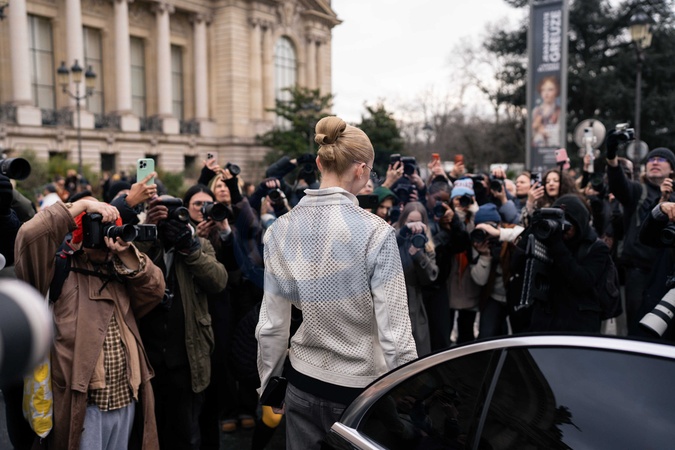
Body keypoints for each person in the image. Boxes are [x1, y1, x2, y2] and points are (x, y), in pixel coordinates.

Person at [255, 116, 418, 450]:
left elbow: (272, 325)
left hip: (301, 382)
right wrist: (409, 391)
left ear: (319, 163)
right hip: (359, 392)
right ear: (361, 170)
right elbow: (396, 333)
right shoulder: (376, 232)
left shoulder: (279, 230)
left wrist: (268, 385)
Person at [14, 198, 165, 449]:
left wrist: (127, 252)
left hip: (126, 398)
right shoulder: (57, 270)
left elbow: (155, 289)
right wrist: (82, 205)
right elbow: (29, 235)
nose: (106, 242)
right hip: (84, 405)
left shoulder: (120, 270)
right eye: (99, 231)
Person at [137, 194, 228, 449]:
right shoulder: (147, 244)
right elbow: (125, 268)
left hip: (186, 359)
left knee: (184, 435)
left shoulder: (198, 244)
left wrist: (190, 248)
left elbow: (219, 281)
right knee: (148, 433)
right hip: (148, 357)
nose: (171, 224)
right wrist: (148, 231)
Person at [606, 128, 675, 334]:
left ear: (672, 170)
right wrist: (611, 153)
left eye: (661, 159)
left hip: (666, 272)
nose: (655, 162)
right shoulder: (638, 190)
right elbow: (618, 185)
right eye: (651, 159)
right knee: (638, 328)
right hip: (638, 271)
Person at [395, 202, 439, 357]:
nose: (415, 227)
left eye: (418, 222)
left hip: (415, 304)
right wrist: (403, 232)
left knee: (417, 352)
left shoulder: (426, 245)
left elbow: (431, 277)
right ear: (403, 221)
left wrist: (418, 255)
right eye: (410, 222)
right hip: (394, 299)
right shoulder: (393, 236)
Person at [531, 75, 561, 148]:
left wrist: (544, 131)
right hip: (538, 148)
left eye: (550, 89)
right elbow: (531, 134)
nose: (546, 93)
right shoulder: (536, 111)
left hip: (554, 148)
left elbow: (559, 134)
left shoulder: (559, 111)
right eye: (543, 89)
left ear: (556, 91)